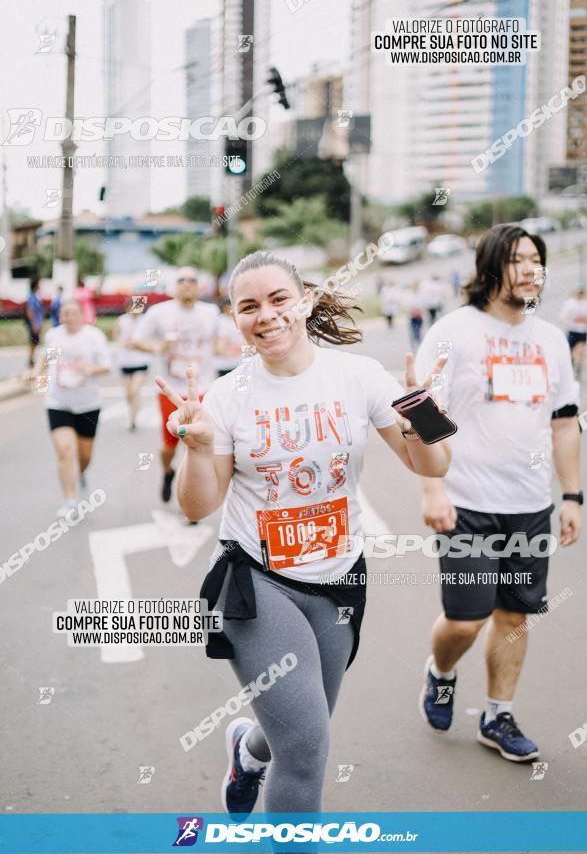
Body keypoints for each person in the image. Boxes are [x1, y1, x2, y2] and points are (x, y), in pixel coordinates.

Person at [156, 250, 452, 817]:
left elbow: (433, 466)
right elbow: (198, 506)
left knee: (299, 724)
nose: (265, 316)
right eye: (248, 307)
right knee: (308, 746)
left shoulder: (358, 375)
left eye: (278, 300)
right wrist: (193, 449)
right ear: (235, 318)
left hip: (340, 581)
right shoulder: (225, 396)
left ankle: (247, 751)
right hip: (258, 582)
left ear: (305, 301)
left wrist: (422, 412)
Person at [415, 224, 581, 762]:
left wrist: (573, 496)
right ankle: (440, 672)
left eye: (537, 259)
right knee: (467, 618)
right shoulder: (454, 331)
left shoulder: (551, 339)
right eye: (518, 260)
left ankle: (497, 714)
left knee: (514, 616)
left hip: (529, 505)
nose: (531, 269)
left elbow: (563, 423)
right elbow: (420, 414)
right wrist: (433, 489)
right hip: (465, 501)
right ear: (490, 268)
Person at [132, 266, 220, 502]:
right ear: (174, 285)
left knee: (197, 444)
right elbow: (137, 340)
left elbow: (220, 341)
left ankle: (194, 500)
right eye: (182, 280)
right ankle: (168, 471)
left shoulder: (210, 312)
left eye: (192, 279)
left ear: (198, 285)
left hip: (204, 387)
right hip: (171, 390)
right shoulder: (159, 312)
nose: (187, 284)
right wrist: (158, 348)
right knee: (169, 445)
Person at [28, 299, 111, 519]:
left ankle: (81, 472)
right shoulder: (54, 336)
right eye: (65, 314)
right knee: (65, 451)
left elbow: (106, 366)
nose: (69, 318)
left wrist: (89, 368)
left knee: (84, 456)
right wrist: (36, 372)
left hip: (88, 404)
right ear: (60, 316)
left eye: (73, 313)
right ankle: (70, 500)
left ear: (81, 315)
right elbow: (47, 358)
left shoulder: (94, 337)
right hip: (58, 402)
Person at [114, 298, 152, 431]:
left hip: (141, 361)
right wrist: (124, 343)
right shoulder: (122, 320)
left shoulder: (145, 321)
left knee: (134, 389)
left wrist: (139, 345)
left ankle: (135, 418)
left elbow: (150, 339)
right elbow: (117, 337)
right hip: (125, 361)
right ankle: (132, 415)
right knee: (128, 393)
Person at [559, 288, 587, 380]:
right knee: (570, 352)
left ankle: (578, 368)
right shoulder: (570, 303)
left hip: (582, 331)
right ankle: (571, 366)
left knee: (580, 351)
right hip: (572, 331)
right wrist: (571, 319)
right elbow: (562, 316)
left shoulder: (585, 304)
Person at [215, 297, 243, 377]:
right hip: (223, 365)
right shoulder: (220, 320)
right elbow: (219, 345)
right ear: (225, 307)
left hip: (239, 364)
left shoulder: (240, 319)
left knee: (241, 388)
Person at [25, 277, 44, 367]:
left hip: (37, 324)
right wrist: (34, 325)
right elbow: (30, 312)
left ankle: (32, 358)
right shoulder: (32, 298)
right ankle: (30, 359)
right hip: (34, 325)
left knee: (35, 341)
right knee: (33, 341)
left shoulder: (36, 297)